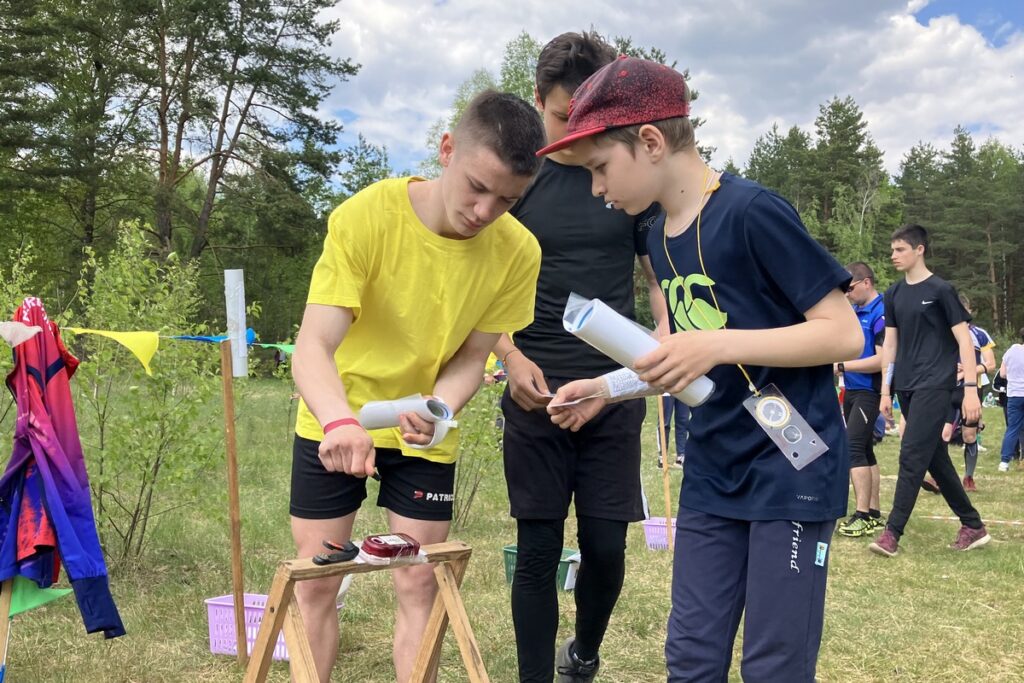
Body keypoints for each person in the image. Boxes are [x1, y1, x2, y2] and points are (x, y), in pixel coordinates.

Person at [538, 56, 862, 683]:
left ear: (650, 141)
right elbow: (681, 356)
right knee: (690, 657)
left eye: (601, 167)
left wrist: (716, 344)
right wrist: (607, 388)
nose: (598, 189)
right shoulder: (657, 236)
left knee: (773, 665)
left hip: (790, 466)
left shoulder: (752, 211)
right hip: (713, 469)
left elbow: (842, 332)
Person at [289, 91, 545, 683]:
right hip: (337, 416)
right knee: (318, 581)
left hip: (424, 429)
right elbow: (313, 346)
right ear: (447, 150)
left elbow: (474, 356)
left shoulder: (518, 252)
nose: (485, 211)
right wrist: (340, 422)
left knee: (419, 581)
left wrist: (440, 408)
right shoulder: (366, 217)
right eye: (477, 187)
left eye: (507, 200)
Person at [492, 32, 667, 683]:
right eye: (565, 116)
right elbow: (479, 286)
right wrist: (509, 357)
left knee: (605, 545)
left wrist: (651, 358)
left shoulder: (622, 177)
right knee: (537, 549)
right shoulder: (519, 179)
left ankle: (585, 652)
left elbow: (658, 281)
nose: (577, 131)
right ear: (538, 99)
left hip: (612, 390)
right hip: (534, 389)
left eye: (590, 116)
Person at [868, 224, 990, 558]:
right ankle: (973, 525)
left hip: (936, 384)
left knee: (910, 455)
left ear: (919, 249)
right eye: (892, 250)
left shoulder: (941, 290)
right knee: (934, 458)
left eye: (900, 249)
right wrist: (885, 391)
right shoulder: (893, 294)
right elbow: (890, 344)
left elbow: (964, 340)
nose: (893, 256)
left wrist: (970, 390)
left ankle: (892, 533)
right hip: (905, 386)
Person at [835, 262, 885, 537]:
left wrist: (842, 366)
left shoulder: (881, 312)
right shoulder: (855, 311)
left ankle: (862, 514)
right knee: (865, 450)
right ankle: (874, 512)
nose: (848, 294)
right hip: (853, 389)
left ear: (866, 282)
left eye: (850, 288)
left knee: (852, 447)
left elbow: (881, 360)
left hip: (869, 390)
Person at [942, 293, 996, 491]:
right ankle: (939, 477)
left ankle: (969, 477)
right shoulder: (944, 333)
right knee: (944, 433)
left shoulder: (979, 334)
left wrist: (968, 370)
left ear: (969, 311)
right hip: (948, 389)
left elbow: (990, 364)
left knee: (969, 436)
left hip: (972, 390)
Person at [997, 327, 1024, 472]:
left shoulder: (1011, 351)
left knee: (1013, 428)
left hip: (1014, 395)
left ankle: (1004, 462)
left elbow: (1002, 373)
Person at [658, 395, 689, 468]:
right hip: (666, 390)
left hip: (684, 390)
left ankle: (681, 455)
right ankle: (662, 456)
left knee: (683, 421)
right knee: (664, 422)